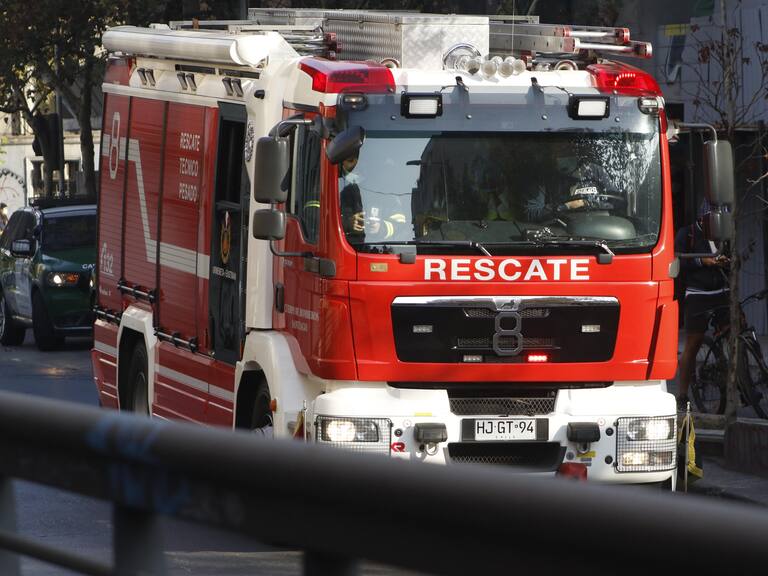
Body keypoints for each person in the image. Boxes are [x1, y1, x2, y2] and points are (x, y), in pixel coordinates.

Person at [674, 201, 730, 409]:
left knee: (735, 331)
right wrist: (702, 261)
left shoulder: (723, 235)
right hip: (698, 294)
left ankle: (739, 380)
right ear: (702, 218)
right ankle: (682, 394)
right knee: (694, 342)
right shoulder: (687, 234)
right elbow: (677, 260)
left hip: (722, 290)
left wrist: (728, 261)